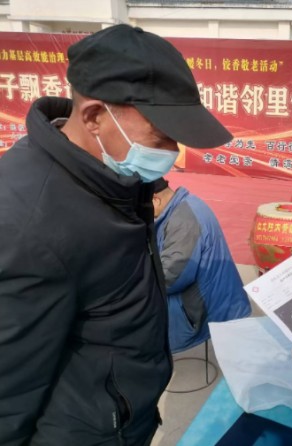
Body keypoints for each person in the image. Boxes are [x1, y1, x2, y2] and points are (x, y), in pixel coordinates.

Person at [0, 24, 232, 445]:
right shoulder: (27, 221)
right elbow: (8, 391)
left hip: (123, 418)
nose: (171, 153)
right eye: (161, 137)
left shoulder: (115, 178)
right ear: (93, 117)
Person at [152, 177, 251, 353]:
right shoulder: (186, 203)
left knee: (134, 307)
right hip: (220, 297)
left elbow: (169, 278)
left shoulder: (183, 221)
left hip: (209, 307)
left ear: (155, 199)